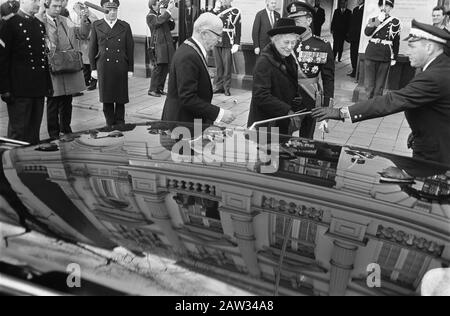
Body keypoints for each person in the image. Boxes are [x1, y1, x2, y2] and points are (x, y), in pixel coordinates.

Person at [312, 20, 450, 166]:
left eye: (412, 47)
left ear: (429, 47)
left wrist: (340, 113)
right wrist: (421, 131)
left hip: (439, 153)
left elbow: (392, 101)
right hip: (431, 141)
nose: (408, 52)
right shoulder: (439, 67)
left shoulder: (434, 76)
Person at [161, 12, 235, 125]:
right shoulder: (189, 55)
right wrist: (219, 114)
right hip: (181, 125)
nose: (220, 40)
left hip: (188, 122)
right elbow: (188, 98)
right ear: (204, 34)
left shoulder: (192, 49)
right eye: (218, 35)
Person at [0, 0, 53, 145]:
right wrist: (4, 89)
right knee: (18, 135)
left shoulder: (38, 24)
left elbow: (42, 59)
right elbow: (2, 60)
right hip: (19, 90)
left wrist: (47, 84)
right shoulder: (9, 24)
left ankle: (30, 164)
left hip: (37, 88)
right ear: (22, 1)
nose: (38, 3)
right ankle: (9, 166)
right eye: (34, 0)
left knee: (33, 133)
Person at [36, 0, 89, 139]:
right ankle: (53, 134)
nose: (58, 9)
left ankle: (66, 128)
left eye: (60, 6)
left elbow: (82, 34)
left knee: (67, 100)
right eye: (54, 6)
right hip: (52, 66)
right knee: (53, 101)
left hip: (67, 63)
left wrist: (84, 18)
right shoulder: (39, 21)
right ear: (47, 5)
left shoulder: (66, 20)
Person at [247, 18, 305, 136]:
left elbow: (290, 83)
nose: (290, 47)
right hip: (265, 124)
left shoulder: (288, 58)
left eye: (293, 42)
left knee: (281, 153)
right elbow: (260, 95)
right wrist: (286, 110)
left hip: (281, 122)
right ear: (275, 40)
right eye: (286, 42)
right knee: (267, 154)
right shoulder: (264, 62)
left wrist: (296, 98)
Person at [287, 0, 335, 139]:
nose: (293, 23)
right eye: (291, 20)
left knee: (306, 140)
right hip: (285, 98)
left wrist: (327, 109)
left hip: (309, 97)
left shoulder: (322, 45)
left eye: (297, 20)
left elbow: (328, 79)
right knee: (283, 136)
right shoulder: (283, 42)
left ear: (308, 20)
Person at [89, 0, 134, 129]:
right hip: (104, 66)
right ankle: (110, 122)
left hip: (120, 65)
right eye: (109, 10)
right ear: (103, 10)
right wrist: (93, 68)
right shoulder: (97, 25)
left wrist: (130, 68)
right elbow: (92, 48)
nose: (112, 12)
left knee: (120, 96)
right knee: (107, 96)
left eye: (115, 10)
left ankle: (120, 122)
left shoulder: (125, 26)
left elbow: (130, 48)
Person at [363, 0, 401, 99]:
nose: (385, 8)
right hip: (371, 52)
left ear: (391, 8)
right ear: (380, 7)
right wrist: (378, 20)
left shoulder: (395, 21)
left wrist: (394, 57)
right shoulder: (373, 19)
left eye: (388, 6)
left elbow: (396, 41)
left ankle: (375, 106)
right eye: (383, 5)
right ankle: (367, 105)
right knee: (369, 85)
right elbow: (367, 32)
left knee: (379, 86)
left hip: (385, 54)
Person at [211, 0, 241, 96]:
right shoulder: (216, 11)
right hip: (217, 41)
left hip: (228, 41)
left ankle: (226, 88)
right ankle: (218, 86)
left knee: (227, 66)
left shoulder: (235, 12)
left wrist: (236, 43)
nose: (224, 1)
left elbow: (238, 28)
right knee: (218, 66)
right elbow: (209, 20)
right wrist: (215, 9)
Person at [147, 0, 175, 98]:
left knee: (165, 67)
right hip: (157, 46)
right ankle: (152, 89)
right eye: (157, 5)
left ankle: (160, 88)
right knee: (158, 68)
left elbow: (171, 27)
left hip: (165, 45)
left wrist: (169, 17)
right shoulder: (150, 16)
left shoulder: (160, 15)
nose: (159, 6)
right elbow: (158, 22)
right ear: (153, 6)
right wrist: (168, 11)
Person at [73, 1, 98, 91]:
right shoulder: (76, 16)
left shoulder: (91, 15)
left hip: (90, 42)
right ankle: (85, 80)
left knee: (92, 63)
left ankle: (93, 82)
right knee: (84, 64)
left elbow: (95, 24)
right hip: (82, 43)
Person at [347, 0, 364, 78]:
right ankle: (354, 70)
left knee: (359, 55)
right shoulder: (355, 9)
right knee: (352, 54)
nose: (358, 1)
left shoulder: (365, 9)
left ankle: (359, 72)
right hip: (354, 36)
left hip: (361, 37)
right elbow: (351, 23)